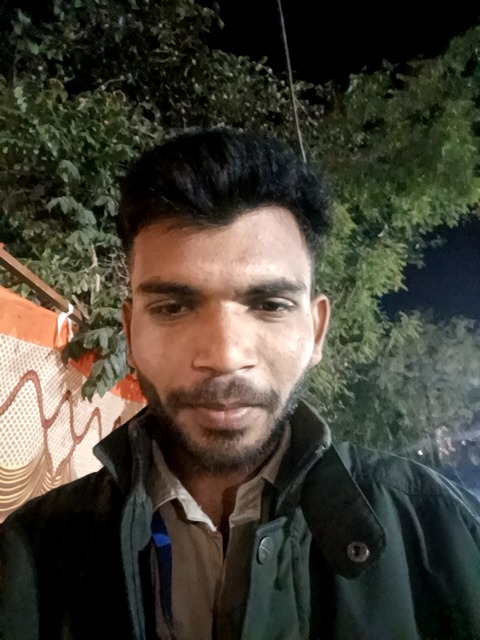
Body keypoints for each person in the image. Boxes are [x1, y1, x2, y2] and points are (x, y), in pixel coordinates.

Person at [1, 128, 480, 640]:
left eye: (270, 305)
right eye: (173, 307)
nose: (225, 356)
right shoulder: (29, 555)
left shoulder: (444, 534)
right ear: (131, 331)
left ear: (317, 331)